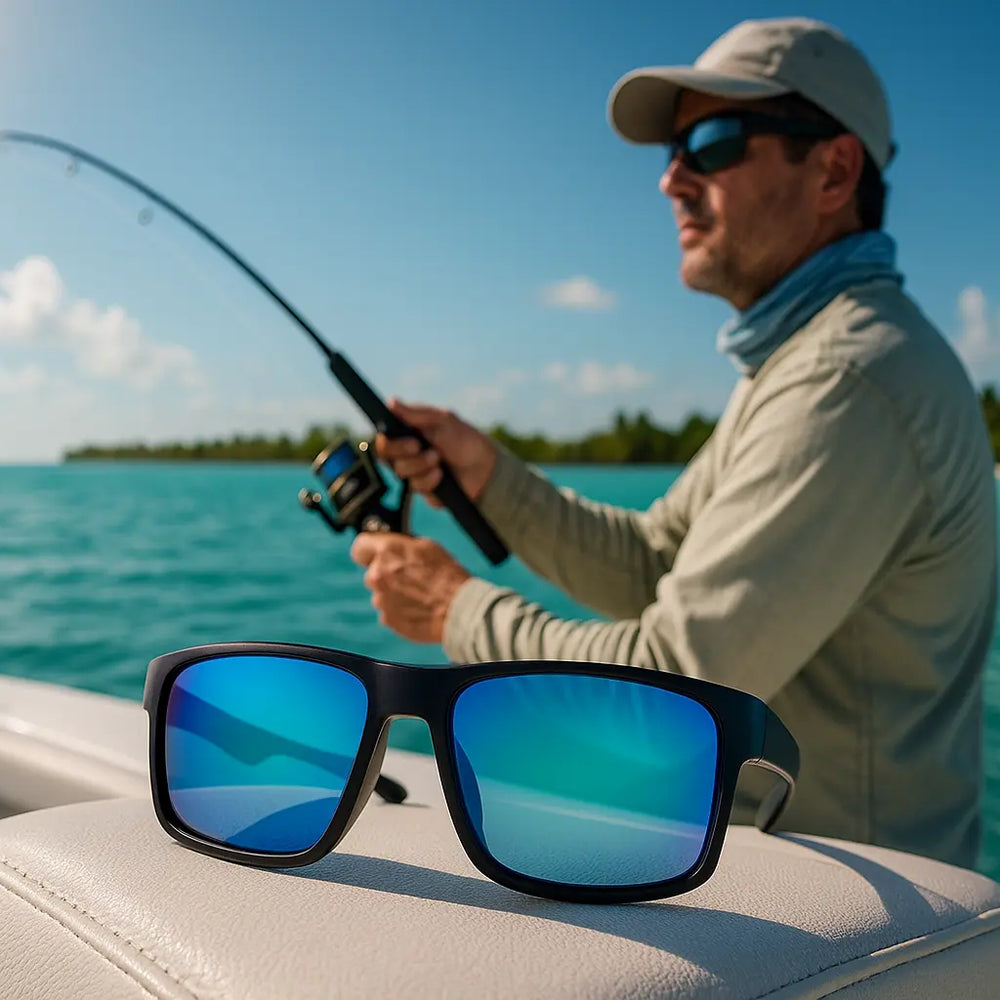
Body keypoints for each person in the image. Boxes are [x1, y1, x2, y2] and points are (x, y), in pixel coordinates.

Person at [350, 17, 997, 869]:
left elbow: (672, 694)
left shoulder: (847, 381)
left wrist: (455, 610)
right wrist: (491, 477)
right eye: (673, 151)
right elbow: (658, 558)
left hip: (855, 915)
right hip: (795, 875)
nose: (671, 180)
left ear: (834, 170)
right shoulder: (804, 362)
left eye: (715, 141)